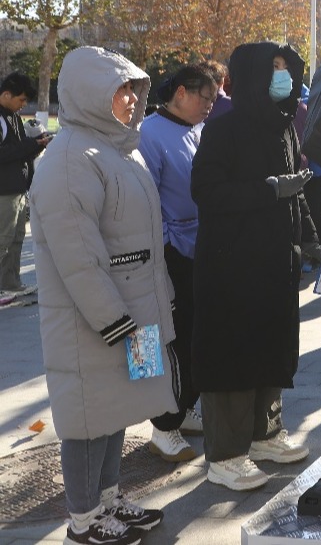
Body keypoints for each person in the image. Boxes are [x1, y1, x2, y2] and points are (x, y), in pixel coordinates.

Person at [30, 46, 175, 545]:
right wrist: (116, 320)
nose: (132, 99)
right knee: (87, 419)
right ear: (90, 94)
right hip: (94, 321)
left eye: (135, 88)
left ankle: (109, 499)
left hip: (133, 311)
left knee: (117, 410)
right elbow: (78, 259)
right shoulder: (69, 159)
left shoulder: (119, 148)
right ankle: (84, 519)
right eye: (120, 89)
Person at [191, 43, 321, 491]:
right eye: (274, 69)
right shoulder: (224, 128)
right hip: (233, 265)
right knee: (235, 357)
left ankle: (264, 435)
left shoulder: (285, 126)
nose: (282, 77)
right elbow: (207, 193)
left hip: (276, 261)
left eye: (287, 69)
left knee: (271, 348)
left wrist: (310, 239)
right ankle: (226, 455)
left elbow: (297, 191)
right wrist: (267, 189)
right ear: (251, 75)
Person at [137, 64, 217, 464]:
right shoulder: (150, 133)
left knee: (197, 335)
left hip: (199, 246)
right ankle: (162, 425)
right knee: (170, 339)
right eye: (205, 97)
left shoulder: (198, 129)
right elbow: (145, 200)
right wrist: (167, 246)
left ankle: (182, 409)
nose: (209, 106)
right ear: (181, 93)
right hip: (168, 252)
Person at [0, 73, 50, 304]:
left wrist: (37, 146)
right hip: (4, 192)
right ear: (6, 94)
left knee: (17, 238)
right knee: (3, 239)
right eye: (21, 100)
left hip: (18, 190)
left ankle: (11, 284)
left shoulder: (14, 118)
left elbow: (18, 152)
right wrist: (29, 145)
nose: (23, 105)